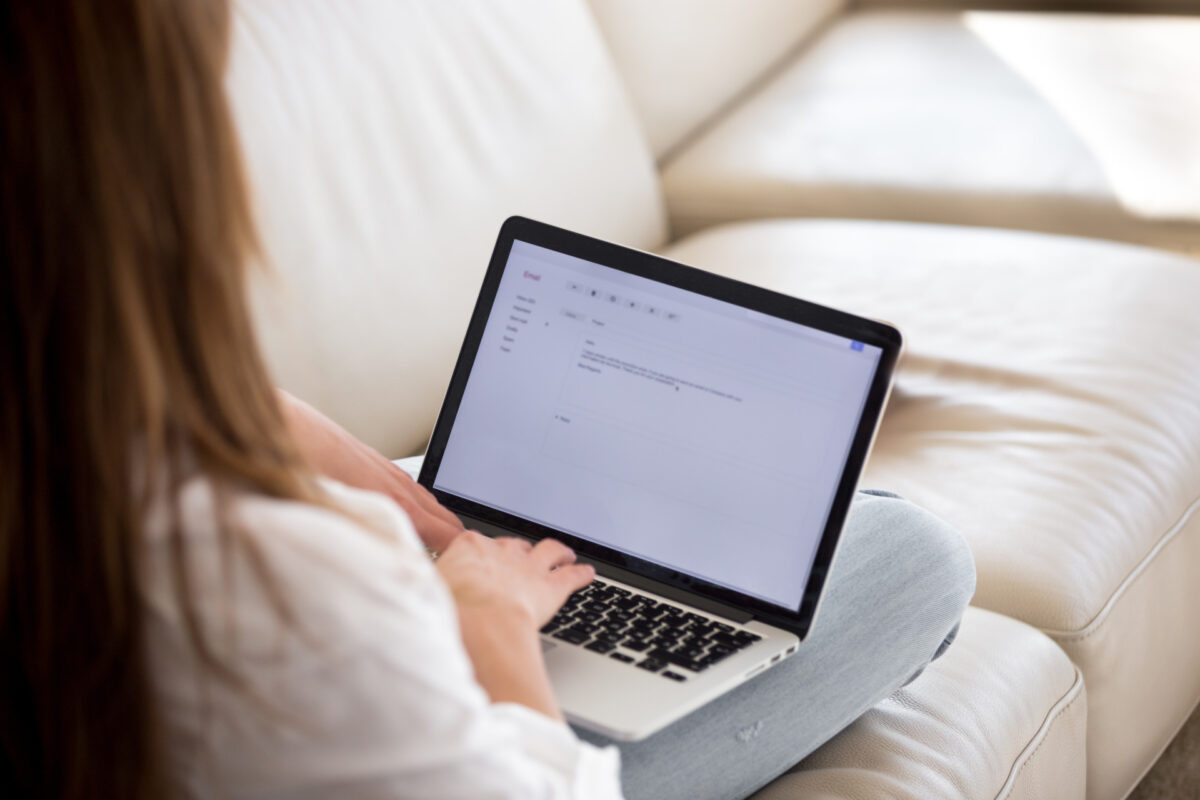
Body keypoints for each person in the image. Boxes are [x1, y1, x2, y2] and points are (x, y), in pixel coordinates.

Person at [0, 1, 975, 798]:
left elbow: (96, 361)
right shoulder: (276, 577)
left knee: (530, 526)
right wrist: (494, 627)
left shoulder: (76, 424)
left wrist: (322, 452)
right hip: (454, 713)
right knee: (909, 549)